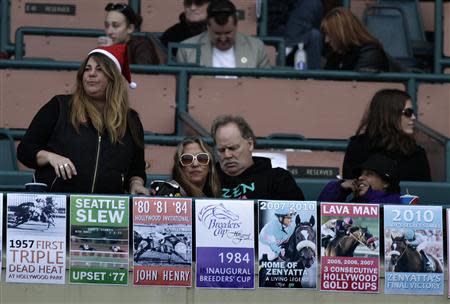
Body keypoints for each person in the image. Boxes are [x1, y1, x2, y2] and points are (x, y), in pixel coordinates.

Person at [17, 44, 149, 195]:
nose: (91, 74)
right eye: (87, 69)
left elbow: (136, 168)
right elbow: (25, 150)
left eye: (99, 69)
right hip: (56, 208)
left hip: (107, 211)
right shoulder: (60, 106)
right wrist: (50, 157)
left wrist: (136, 184)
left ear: (114, 78)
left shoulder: (131, 120)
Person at [343, 89, 431, 181]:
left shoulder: (415, 153)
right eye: (408, 113)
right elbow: (351, 188)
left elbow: (424, 191)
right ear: (390, 114)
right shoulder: (358, 147)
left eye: (413, 113)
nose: (413, 117)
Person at [211, 114, 305, 200]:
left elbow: (294, 215)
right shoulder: (208, 181)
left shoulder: (278, 179)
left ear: (250, 144)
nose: (227, 155)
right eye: (221, 150)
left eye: (233, 148)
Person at [176, 0, 271, 68]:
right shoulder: (187, 49)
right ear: (208, 27)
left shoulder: (256, 47)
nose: (223, 38)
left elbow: (266, 83)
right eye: (217, 33)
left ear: (236, 26)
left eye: (228, 33)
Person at [320, 7, 390, 72]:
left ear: (342, 34)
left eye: (330, 35)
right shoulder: (336, 55)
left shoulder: (370, 53)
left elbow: (359, 83)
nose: (327, 40)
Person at [151, 137, 222, 197]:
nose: (195, 164)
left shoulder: (214, 196)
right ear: (179, 167)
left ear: (210, 166)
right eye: (187, 159)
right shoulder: (167, 191)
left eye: (202, 158)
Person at [318, 154, 401, 204]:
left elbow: (375, 210)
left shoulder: (395, 201)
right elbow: (321, 212)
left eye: (369, 174)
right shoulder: (358, 201)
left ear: (386, 183)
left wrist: (368, 194)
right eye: (361, 174)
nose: (360, 177)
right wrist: (339, 189)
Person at [267, 0, 324, 69]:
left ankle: (286, 49)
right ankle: (287, 47)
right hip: (276, 30)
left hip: (299, 31)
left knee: (315, 35)